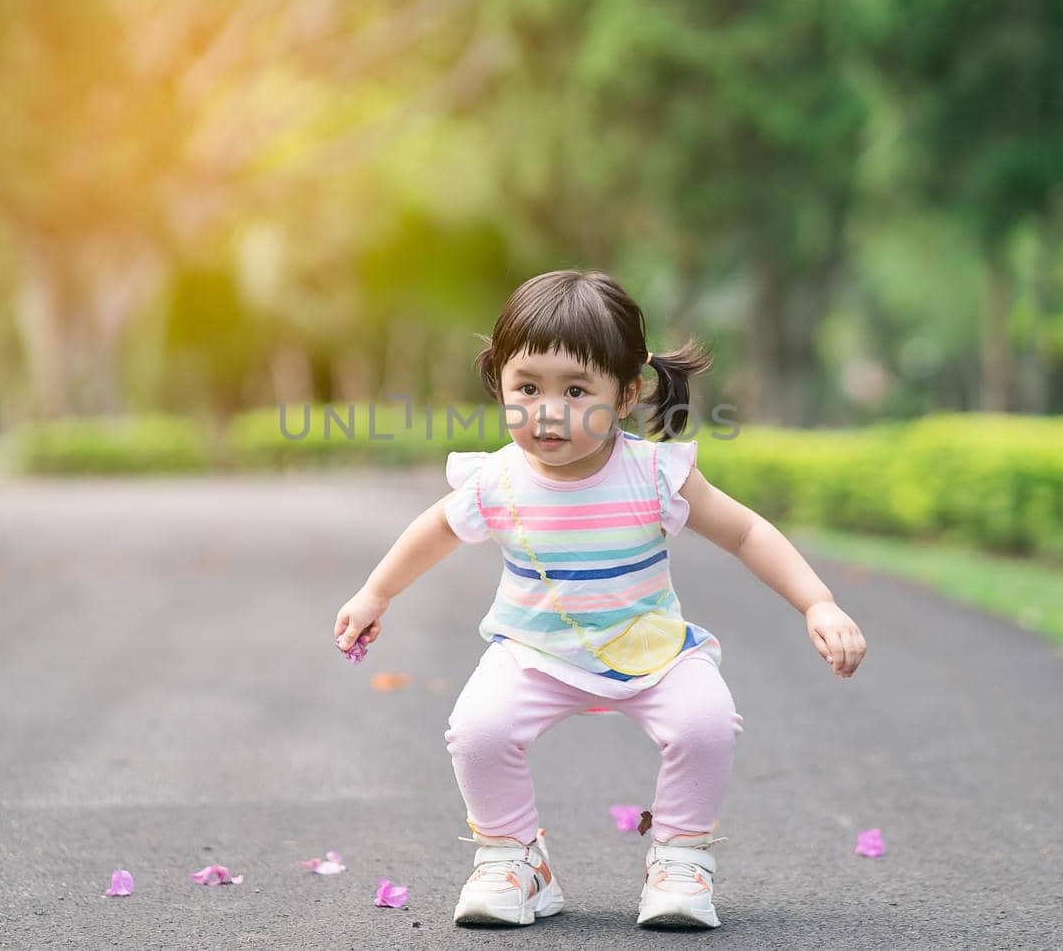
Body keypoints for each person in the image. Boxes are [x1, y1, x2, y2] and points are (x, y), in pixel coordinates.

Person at [332, 268, 868, 930]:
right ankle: (514, 858)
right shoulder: (497, 477)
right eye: (527, 387)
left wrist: (818, 602)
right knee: (478, 729)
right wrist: (375, 592)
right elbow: (435, 528)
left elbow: (747, 530)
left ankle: (679, 855)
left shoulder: (654, 472)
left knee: (705, 721)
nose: (547, 409)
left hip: (653, 650)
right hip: (531, 651)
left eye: (576, 389)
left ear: (628, 392)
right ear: (499, 382)